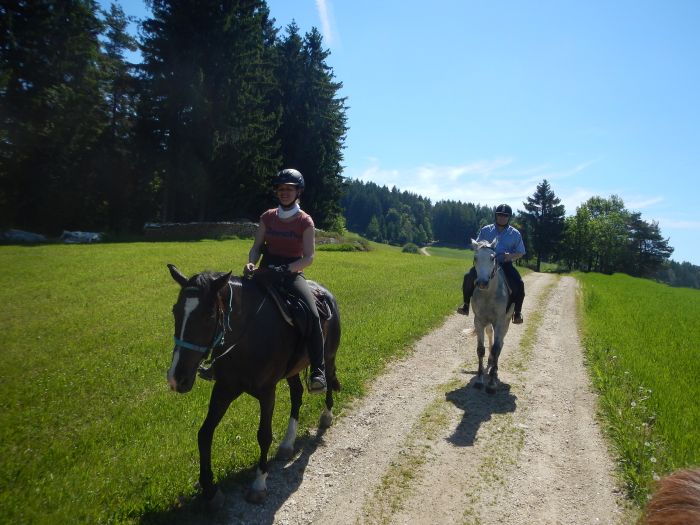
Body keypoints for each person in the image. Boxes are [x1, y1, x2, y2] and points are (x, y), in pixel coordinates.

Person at [244, 168, 327, 394]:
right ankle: (221, 361)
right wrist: (252, 263)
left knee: (311, 312)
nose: (284, 193)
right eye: (281, 189)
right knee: (237, 303)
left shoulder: (304, 221)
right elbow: (256, 247)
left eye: (289, 189)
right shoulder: (268, 217)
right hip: (265, 270)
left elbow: (309, 257)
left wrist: (287, 269)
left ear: (298, 192)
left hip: (291, 274)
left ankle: (318, 371)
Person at [457, 204, 526, 324]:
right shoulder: (486, 230)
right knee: (468, 277)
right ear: (496, 216)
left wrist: (510, 256)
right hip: (485, 264)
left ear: (509, 218)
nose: (502, 218)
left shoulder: (515, 234)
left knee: (519, 284)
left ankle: (517, 313)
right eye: (500, 215)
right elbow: (477, 245)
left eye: (505, 216)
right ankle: (466, 304)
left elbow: (521, 252)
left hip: (505, 264)